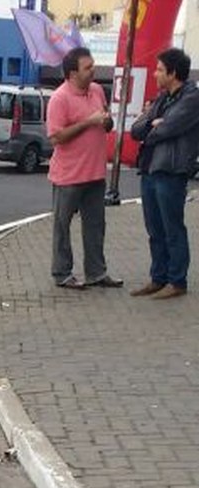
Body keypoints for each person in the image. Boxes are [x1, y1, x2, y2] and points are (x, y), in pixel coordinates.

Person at [46, 47, 121, 289]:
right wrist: (88, 122)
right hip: (68, 176)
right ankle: (62, 273)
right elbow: (56, 137)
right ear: (71, 73)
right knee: (62, 226)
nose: (93, 71)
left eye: (93, 65)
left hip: (95, 173)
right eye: (87, 68)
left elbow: (106, 123)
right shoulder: (59, 98)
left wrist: (106, 121)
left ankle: (96, 273)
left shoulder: (98, 90)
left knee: (96, 226)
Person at [130, 47, 199, 299]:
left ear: (173, 73)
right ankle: (158, 278)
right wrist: (152, 122)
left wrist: (155, 125)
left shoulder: (192, 98)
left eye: (160, 69)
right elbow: (136, 129)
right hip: (149, 168)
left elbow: (168, 128)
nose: (155, 74)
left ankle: (176, 280)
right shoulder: (162, 98)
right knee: (154, 229)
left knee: (172, 228)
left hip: (171, 170)